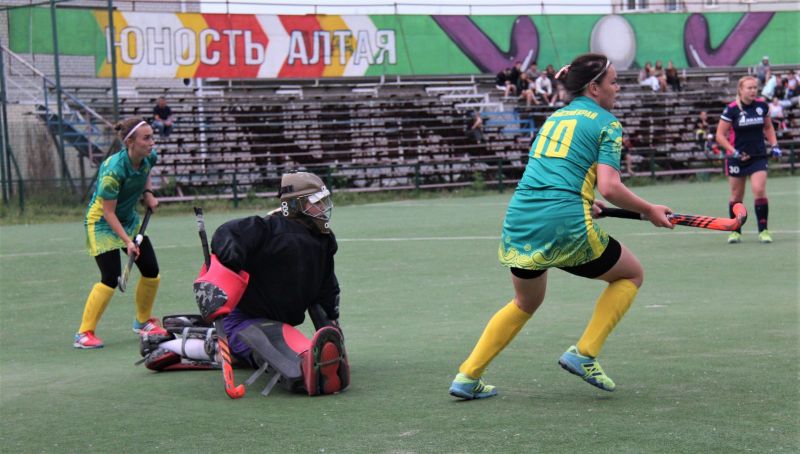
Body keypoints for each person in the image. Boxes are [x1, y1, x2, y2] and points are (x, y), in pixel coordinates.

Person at [449, 53, 673, 400]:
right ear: (594, 87)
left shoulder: (555, 117)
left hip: (521, 217)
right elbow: (611, 187)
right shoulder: (607, 123)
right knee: (631, 274)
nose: (618, 88)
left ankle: (467, 376)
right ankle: (584, 353)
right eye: (613, 82)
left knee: (525, 302)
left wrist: (584, 201)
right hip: (564, 220)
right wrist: (649, 210)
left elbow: (555, 170)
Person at [140, 171, 349, 396]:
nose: (323, 207)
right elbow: (228, 233)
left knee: (273, 336)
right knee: (267, 342)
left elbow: (325, 288)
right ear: (296, 205)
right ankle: (168, 344)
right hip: (243, 319)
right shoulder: (268, 229)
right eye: (316, 202)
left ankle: (208, 342)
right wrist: (230, 262)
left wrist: (331, 326)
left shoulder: (324, 240)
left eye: (323, 201)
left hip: (275, 320)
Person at [74, 117, 166, 349]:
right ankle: (84, 334)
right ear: (130, 142)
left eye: (152, 137)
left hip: (128, 219)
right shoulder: (113, 171)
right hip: (102, 223)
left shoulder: (149, 156)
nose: (152, 142)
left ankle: (142, 322)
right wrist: (127, 242)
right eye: (146, 138)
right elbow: (108, 212)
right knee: (110, 276)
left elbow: (146, 172)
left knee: (151, 270)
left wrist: (148, 194)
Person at [716, 76, 781, 244]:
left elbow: (768, 127)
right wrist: (734, 152)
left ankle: (763, 231)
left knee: (759, 190)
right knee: (736, 195)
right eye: (749, 88)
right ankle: (735, 231)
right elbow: (720, 136)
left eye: (755, 88)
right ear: (740, 90)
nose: (753, 91)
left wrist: (774, 144)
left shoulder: (762, 106)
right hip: (737, 158)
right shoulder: (731, 109)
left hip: (758, 156)